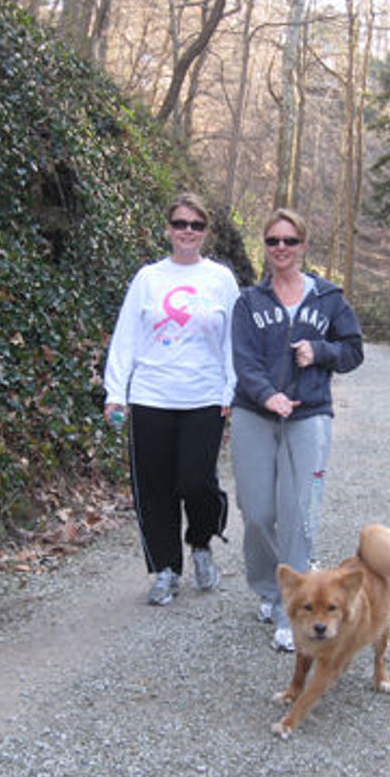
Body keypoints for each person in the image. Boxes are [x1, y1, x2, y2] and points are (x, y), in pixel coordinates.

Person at [230, 207, 364, 651]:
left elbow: (352, 350)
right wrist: (267, 394)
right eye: (273, 241)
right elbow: (244, 361)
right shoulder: (250, 302)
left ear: (304, 245)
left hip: (309, 415)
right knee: (257, 511)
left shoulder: (328, 299)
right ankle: (269, 589)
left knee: (297, 510)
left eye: (290, 241)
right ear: (265, 247)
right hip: (256, 413)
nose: (281, 249)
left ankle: (294, 611)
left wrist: (320, 350)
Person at [103, 193, 241, 605]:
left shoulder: (220, 279)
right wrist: (116, 393)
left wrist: (231, 388)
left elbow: (235, 339)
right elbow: (126, 337)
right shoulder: (148, 279)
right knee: (155, 487)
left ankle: (201, 542)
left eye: (196, 225)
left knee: (195, 481)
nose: (187, 232)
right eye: (180, 224)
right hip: (151, 396)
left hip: (204, 397)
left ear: (205, 233)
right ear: (168, 229)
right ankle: (165, 568)